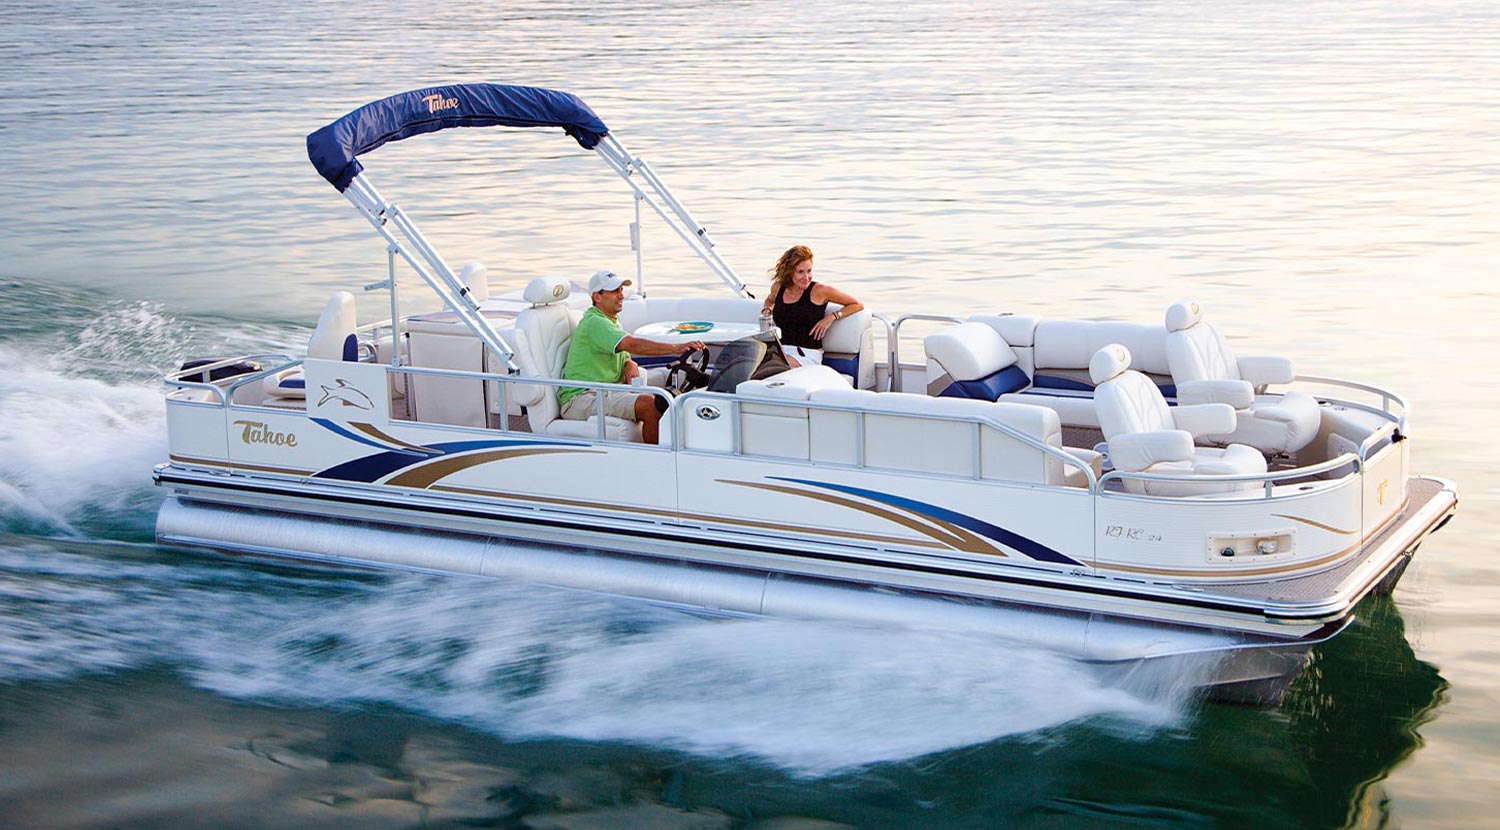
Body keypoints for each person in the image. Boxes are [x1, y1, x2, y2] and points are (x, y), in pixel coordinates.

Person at [559, 270, 706, 444]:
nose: (620, 295)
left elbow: (623, 350)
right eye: (614, 291)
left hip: (604, 391)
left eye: (621, 290)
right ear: (597, 296)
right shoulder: (595, 322)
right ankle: (656, 461)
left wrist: (629, 362)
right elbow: (632, 344)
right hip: (581, 398)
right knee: (650, 405)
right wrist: (676, 348)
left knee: (666, 396)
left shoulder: (609, 320)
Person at [763, 245, 864, 368]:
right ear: (789, 272)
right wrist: (767, 310)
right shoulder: (778, 288)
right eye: (800, 272)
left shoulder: (820, 290)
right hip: (780, 350)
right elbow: (769, 301)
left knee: (778, 366)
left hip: (807, 355)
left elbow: (857, 304)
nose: (806, 278)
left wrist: (832, 317)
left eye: (809, 271)